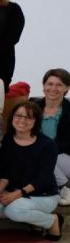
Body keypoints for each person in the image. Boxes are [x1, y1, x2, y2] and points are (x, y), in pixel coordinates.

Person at [0, 101, 63, 241]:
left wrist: (17, 194)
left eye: (28, 117)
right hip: (15, 192)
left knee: (13, 210)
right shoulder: (7, 140)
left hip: (43, 195)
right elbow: (5, 171)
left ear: (36, 121)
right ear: (12, 118)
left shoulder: (47, 145)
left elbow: (43, 179)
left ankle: (52, 220)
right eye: (18, 116)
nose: (22, 120)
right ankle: (34, 220)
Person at [31, 68, 70, 205]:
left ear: (67, 88)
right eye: (50, 84)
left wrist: (47, 148)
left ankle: (63, 188)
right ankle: (62, 186)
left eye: (59, 85)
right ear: (44, 86)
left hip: (65, 158)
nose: (54, 88)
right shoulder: (32, 108)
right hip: (40, 157)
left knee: (42, 154)